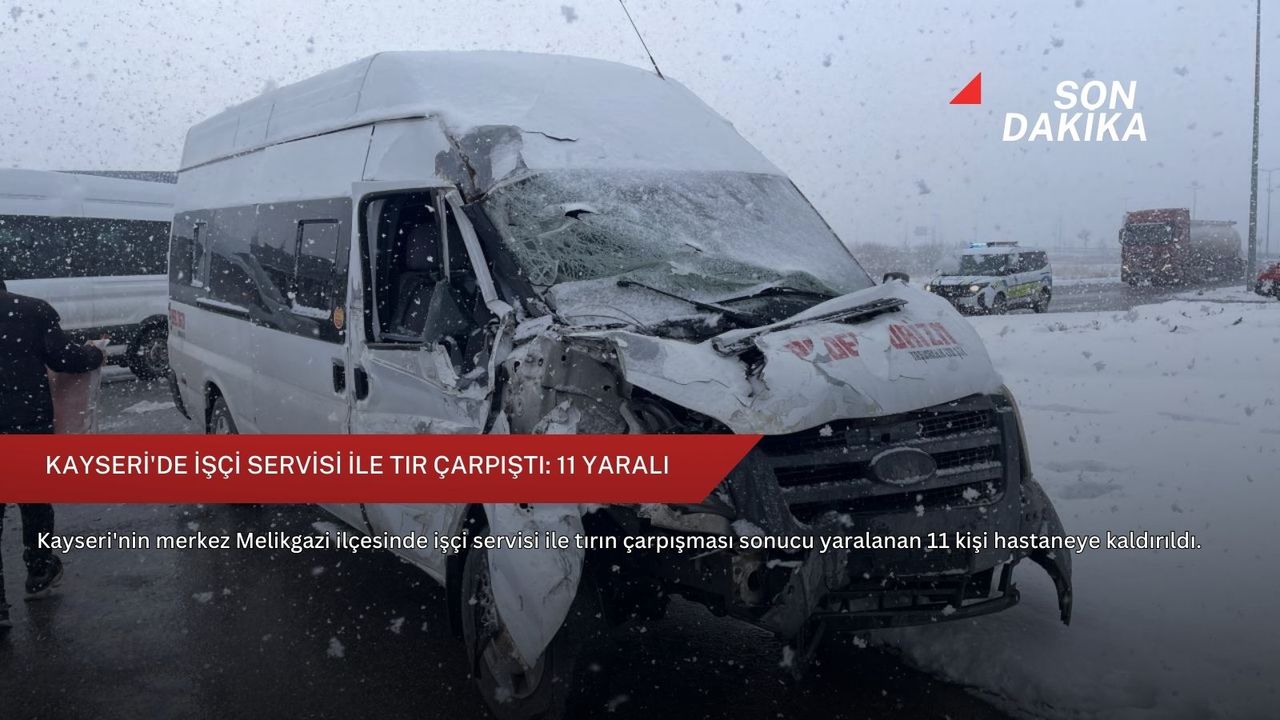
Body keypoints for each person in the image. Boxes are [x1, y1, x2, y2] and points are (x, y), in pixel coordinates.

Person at [0, 278, 105, 632]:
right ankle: (40, 571)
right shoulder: (32, 310)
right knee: (35, 502)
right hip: (26, 423)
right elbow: (64, 359)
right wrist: (94, 354)